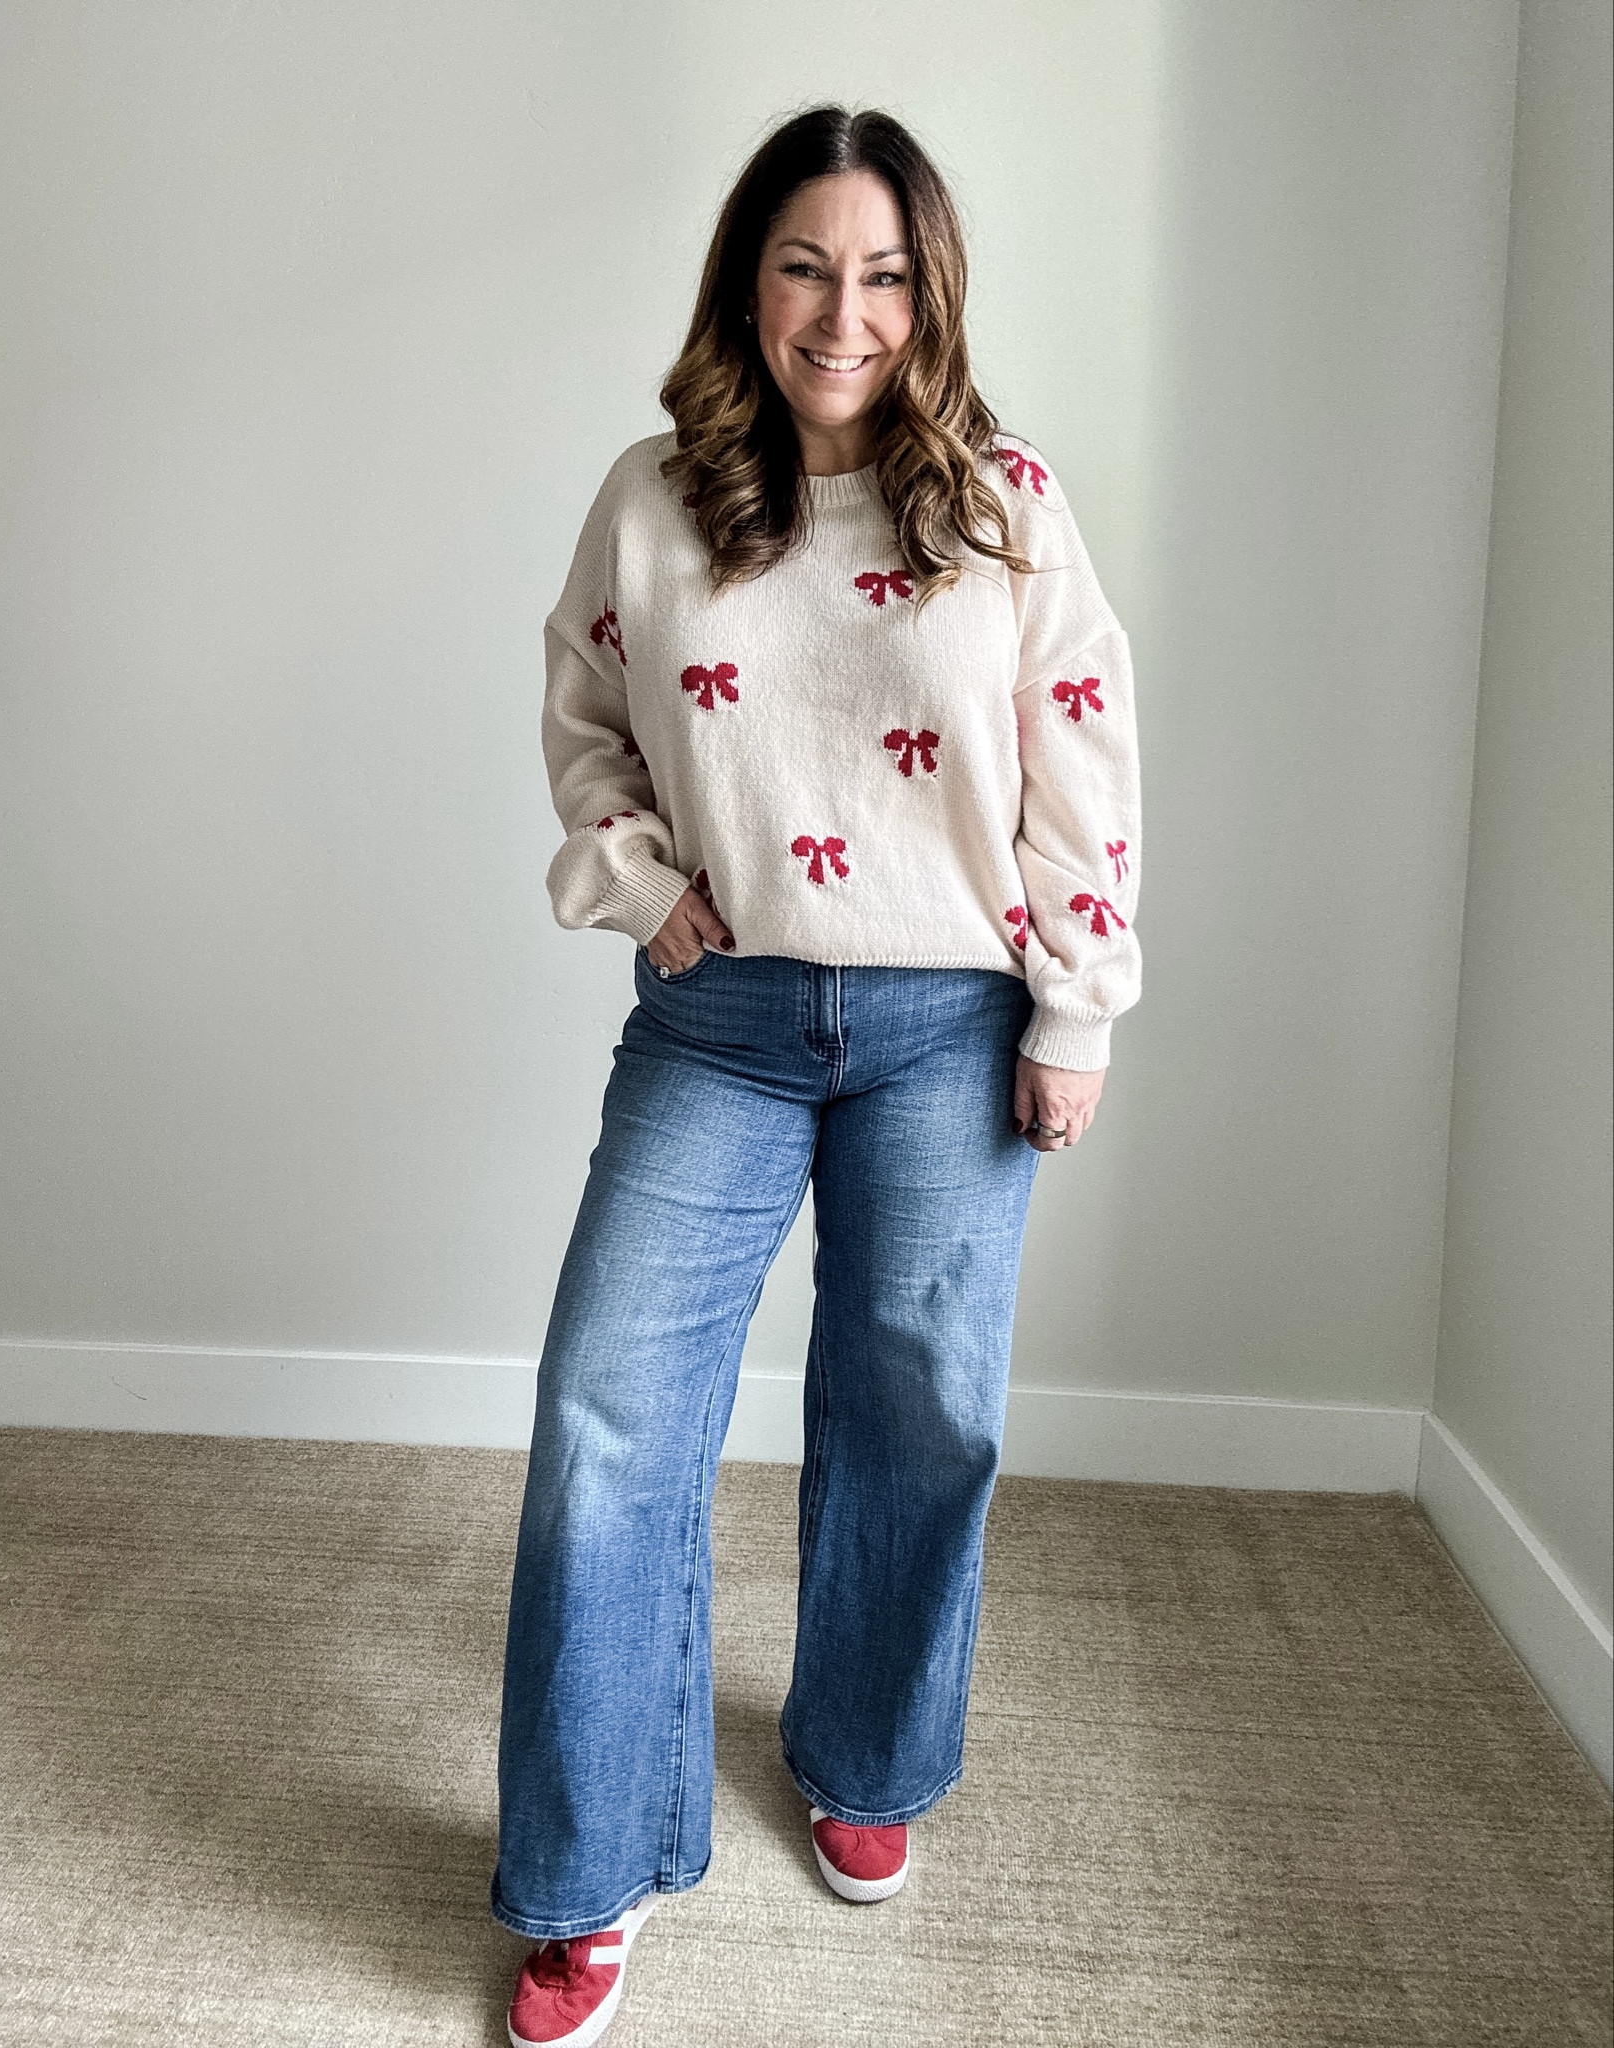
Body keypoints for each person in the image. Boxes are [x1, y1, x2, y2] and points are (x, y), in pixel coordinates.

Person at [492, 104, 1142, 2047]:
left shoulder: (1007, 501)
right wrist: (641, 887)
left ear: (925, 292)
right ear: (744, 281)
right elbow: (584, 709)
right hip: (725, 1020)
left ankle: (862, 1745)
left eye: (878, 271)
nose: (838, 310)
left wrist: (1074, 1006)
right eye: (801, 263)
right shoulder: (654, 494)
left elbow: (1081, 755)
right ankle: (585, 1869)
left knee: (918, 1405)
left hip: (950, 1023)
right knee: (610, 1418)